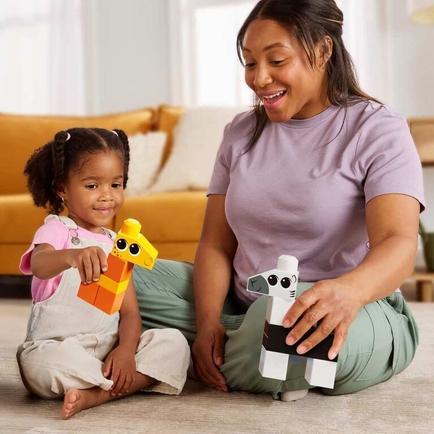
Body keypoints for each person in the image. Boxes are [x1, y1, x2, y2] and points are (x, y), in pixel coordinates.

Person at [133, 0, 424, 402]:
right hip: (243, 305)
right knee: (113, 276)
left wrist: (349, 293)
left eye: (276, 60)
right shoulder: (239, 132)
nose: (260, 78)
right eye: (251, 63)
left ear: (323, 49)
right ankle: (237, 354)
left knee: (277, 326)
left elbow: (398, 242)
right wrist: (208, 322)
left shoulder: (377, 128)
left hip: (350, 307)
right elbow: (216, 244)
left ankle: (165, 353)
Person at [17, 128, 190, 420]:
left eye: (116, 184)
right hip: (59, 349)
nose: (107, 196)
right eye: (92, 186)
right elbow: (40, 264)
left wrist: (126, 351)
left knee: (174, 343)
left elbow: (130, 313)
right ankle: (117, 385)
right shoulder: (57, 229)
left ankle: (96, 392)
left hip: (107, 351)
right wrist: (71, 256)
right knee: (38, 365)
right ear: (62, 189)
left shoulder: (117, 244)